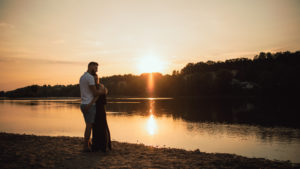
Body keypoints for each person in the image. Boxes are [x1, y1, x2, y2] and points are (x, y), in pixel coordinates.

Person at [79, 61, 107, 151]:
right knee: (89, 126)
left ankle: (88, 143)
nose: (96, 70)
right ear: (90, 66)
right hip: (89, 105)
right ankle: (85, 146)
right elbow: (95, 93)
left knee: (88, 125)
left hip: (83, 104)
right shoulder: (90, 77)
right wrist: (104, 91)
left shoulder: (82, 77)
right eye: (95, 68)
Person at [86, 74, 112, 152]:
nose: (95, 80)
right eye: (94, 79)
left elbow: (98, 95)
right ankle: (96, 146)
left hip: (101, 108)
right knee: (96, 127)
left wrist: (89, 104)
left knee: (103, 126)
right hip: (95, 108)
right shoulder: (93, 87)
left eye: (96, 78)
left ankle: (104, 146)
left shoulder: (101, 86)